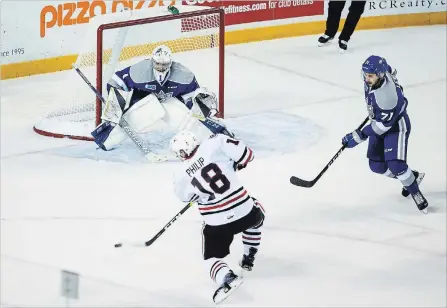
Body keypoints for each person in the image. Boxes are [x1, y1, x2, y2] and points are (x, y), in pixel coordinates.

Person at [170, 131, 266, 304]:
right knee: (258, 213)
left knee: (211, 259)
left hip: (217, 223)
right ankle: (249, 256)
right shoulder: (215, 143)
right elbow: (248, 155)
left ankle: (227, 278)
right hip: (245, 211)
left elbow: (185, 197)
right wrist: (236, 163)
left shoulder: (179, 176)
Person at [91, 45, 233, 152]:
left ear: (170, 63)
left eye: (164, 64)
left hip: (169, 101)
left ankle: (215, 136)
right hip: (144, 100)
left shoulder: (184, 75)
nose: (160, 67)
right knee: (138, 116)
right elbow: (115, 82)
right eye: (157, 64)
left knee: (188, 118)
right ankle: (105, 139)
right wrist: (117, 105)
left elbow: (192, 100)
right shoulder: (140, 71)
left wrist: (202, 114)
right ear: (152, 61)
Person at [342, 55, 428, 213]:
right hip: (382, 121)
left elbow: (382, 126)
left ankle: (415, 192)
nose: (367, 79)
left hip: (396, 126)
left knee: (396, 165)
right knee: (376, 165)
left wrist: (358, 136)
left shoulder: (386, 97)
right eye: (365, 74)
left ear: (380, 76)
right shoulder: (380, 75)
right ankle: (412, 177)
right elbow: (389, 70)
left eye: (370, 76)